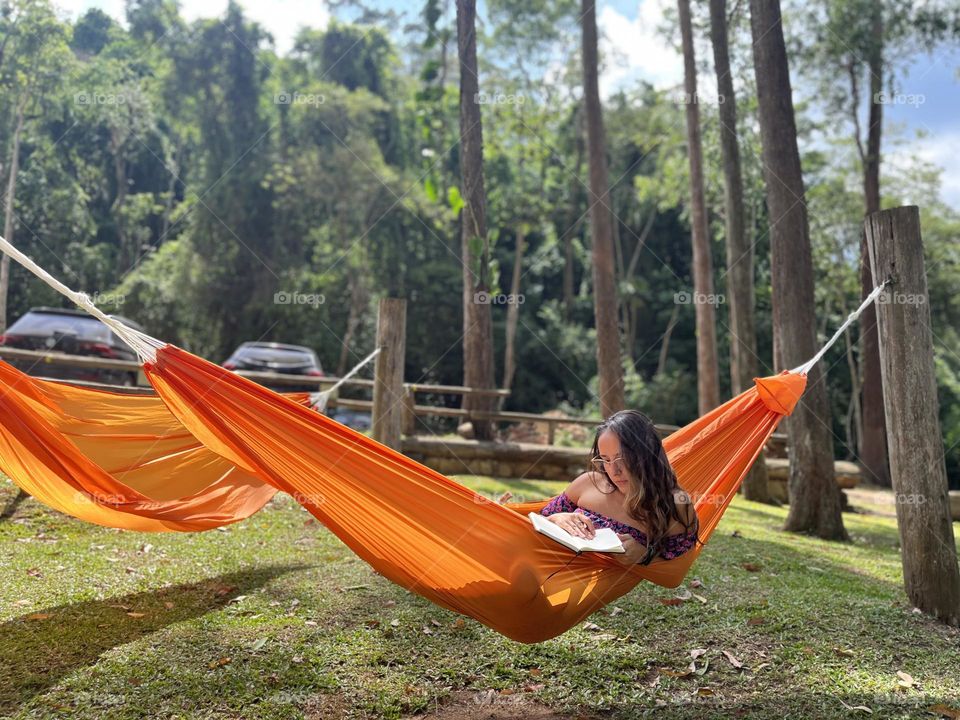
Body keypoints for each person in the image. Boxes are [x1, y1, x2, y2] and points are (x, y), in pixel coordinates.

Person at [540, 409, 699, 566]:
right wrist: (555, 518)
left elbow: (676, 572)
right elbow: (536, 521)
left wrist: (645, 556)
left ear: (646, 454)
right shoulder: (588, 482)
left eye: (622, 458)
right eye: (605, 459)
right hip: (545, 562)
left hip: (577, 579)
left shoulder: (675, 504)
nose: (614, 471)